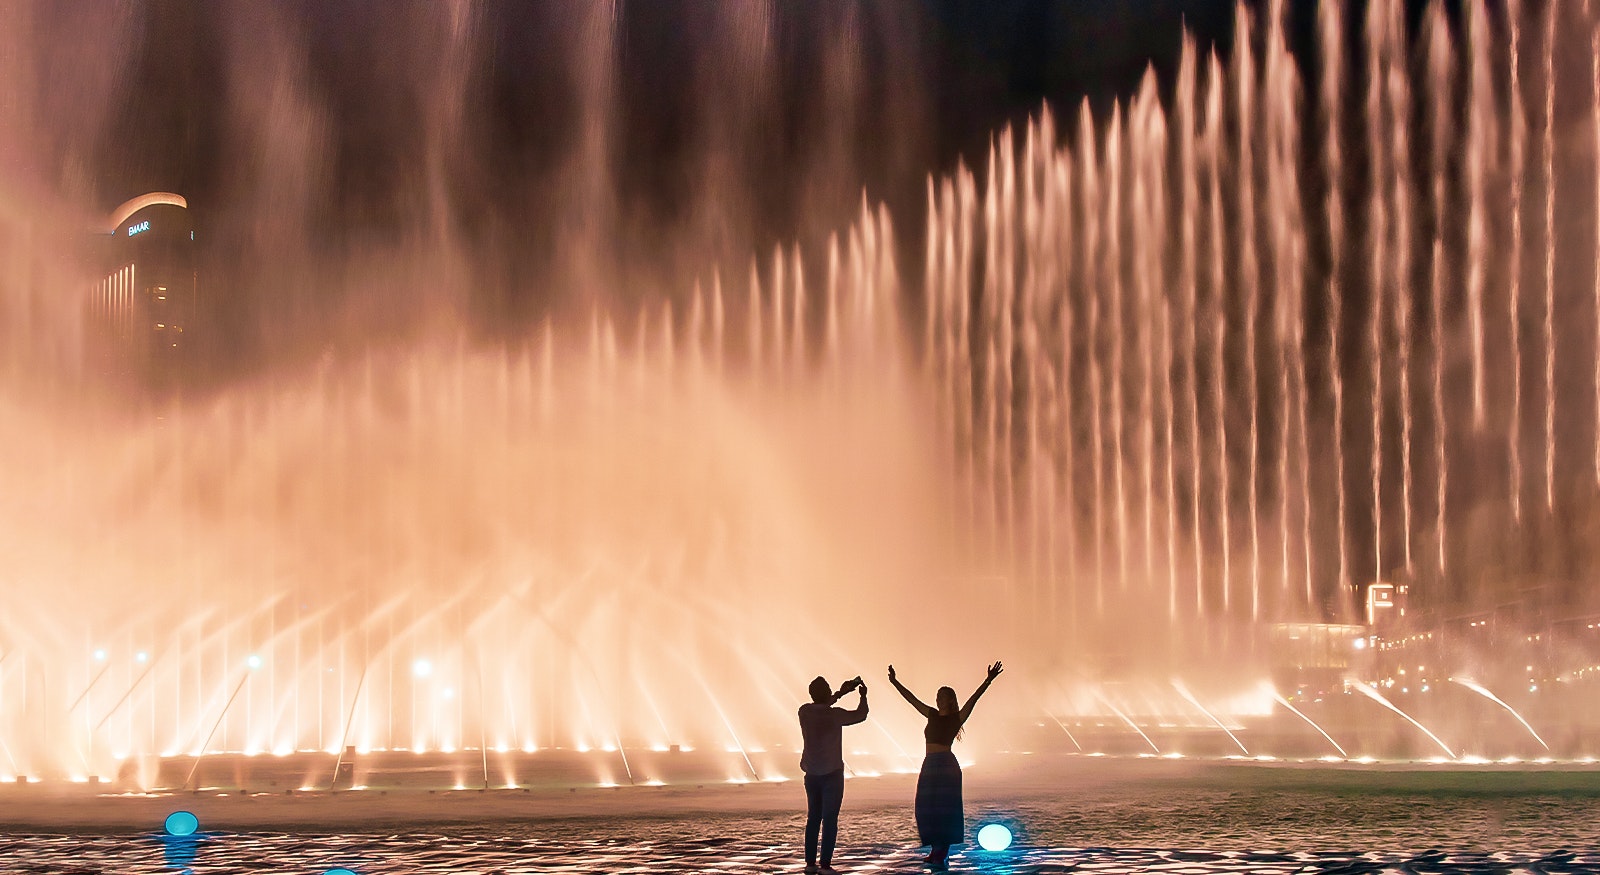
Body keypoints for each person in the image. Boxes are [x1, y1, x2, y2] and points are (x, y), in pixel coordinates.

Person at [887, 661, 1003, 871]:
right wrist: (895, 682)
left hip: (946, 765)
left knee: (945, 809)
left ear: (950, 700)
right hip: (929, 764)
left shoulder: (957, 718)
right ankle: (935, 848)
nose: (938, 699)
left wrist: (988, 680)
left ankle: (941, 852)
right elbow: (912, 700)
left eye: (942, 696)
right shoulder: (931, 714)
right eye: (937, 696)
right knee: (926, 807)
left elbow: (974, 699)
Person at [798, 674, 869, 875]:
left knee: (813, 818)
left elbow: (822, 705)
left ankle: (810, 864)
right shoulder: (835, 715)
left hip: (811, 775)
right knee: (830, 819)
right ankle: (826, 866)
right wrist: (862, 696)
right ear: (827, 692)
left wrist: (841, 692)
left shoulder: (804, 712)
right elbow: (861, 714)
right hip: (832, 775)